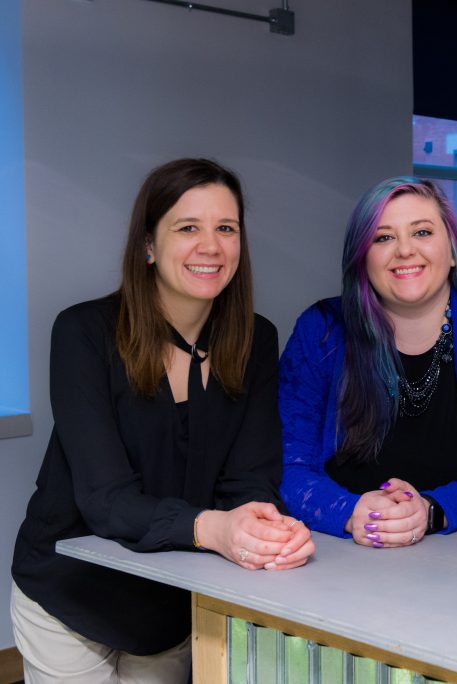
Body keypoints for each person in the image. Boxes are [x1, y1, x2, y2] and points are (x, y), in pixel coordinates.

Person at [10, 159, 313, 683]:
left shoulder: (256, 339)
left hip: (175, 601)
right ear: (148, 245)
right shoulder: (84, 333)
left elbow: (251, 478)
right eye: (187, 227)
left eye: (226, 228)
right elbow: (105, 499)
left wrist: (264, 531)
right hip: (70, 596)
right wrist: (215, 528)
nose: (211, 246)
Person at [279, 177, 457, 548]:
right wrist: (350, 511)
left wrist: (430, 510)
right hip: (338, 558)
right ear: (361, 258)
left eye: (422, 232)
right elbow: (287, 466)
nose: (405, 250)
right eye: (383, 237)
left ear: (452, 251)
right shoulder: (320, 330)